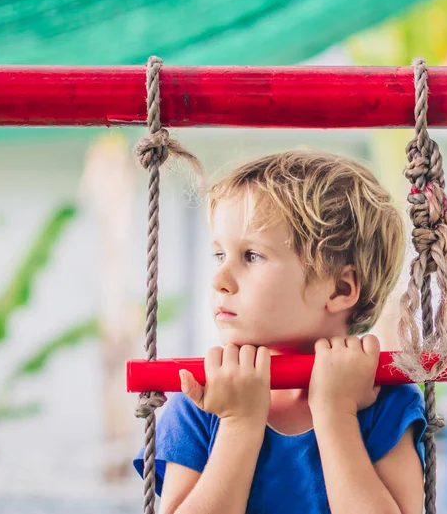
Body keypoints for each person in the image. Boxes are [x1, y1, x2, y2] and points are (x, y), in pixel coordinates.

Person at [134, 150, 426, 514]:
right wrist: (238, 423)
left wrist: (337, 413)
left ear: (339, 290)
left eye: (252, 256)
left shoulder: (385, 402)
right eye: (219, 255)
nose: (219, 281)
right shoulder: (200, 400)